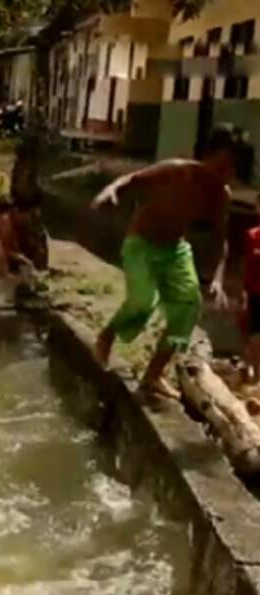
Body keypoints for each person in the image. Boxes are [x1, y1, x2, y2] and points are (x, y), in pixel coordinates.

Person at [93, 126, 241, 399]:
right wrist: (110, 191)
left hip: (175, 250)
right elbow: (132, 178)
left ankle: (153, 375)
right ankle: (107, 336)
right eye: (220, 166)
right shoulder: (177, 171)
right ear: (207, 156)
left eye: (230, 170)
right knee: (143, 301)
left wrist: (218, 278)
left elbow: (222, 241)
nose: (223, 175)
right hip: (141, 244)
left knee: (189, 307)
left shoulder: (221, 195)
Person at [242, 195, 260, 383]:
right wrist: (243, 293)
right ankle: (255, 373)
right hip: (255, 293)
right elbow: (246, 266)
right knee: (255, 336)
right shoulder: (252, 235)